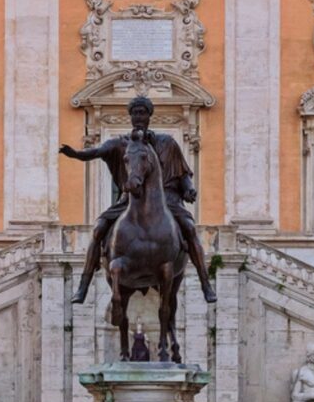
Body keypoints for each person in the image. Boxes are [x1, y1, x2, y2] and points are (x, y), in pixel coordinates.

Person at [62, 94, 213, 305]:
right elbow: (96, 151)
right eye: (135, 113)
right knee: (98, 229)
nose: (138, 117)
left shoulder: (167, 143)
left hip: (167, 199)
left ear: (149, 115)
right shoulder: (120, 143)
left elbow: (183, 173)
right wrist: (76, 154)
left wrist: (188, 189)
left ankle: (205, 283)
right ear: (130, 116)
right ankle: (84, 285)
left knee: (189, 228)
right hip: (129, 199)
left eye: (142, 113)